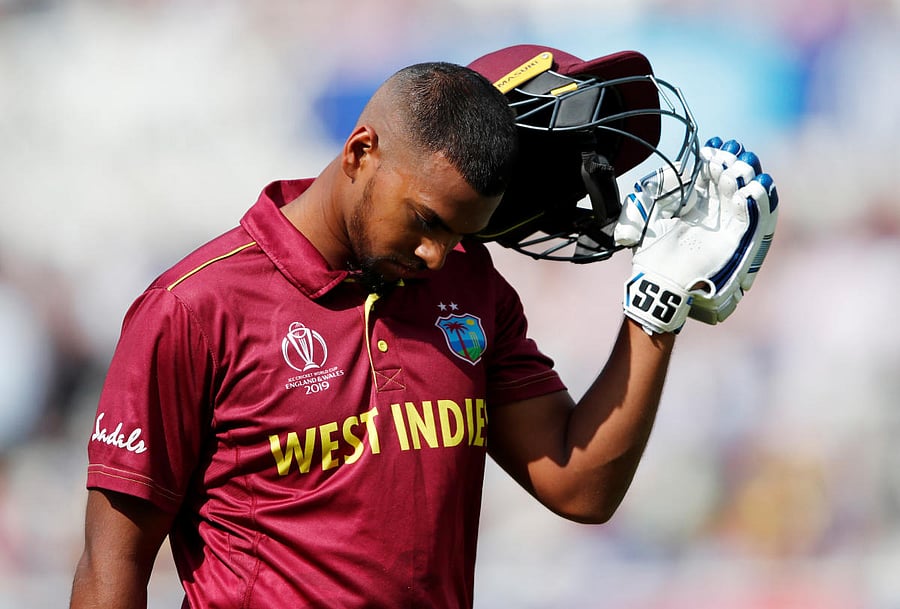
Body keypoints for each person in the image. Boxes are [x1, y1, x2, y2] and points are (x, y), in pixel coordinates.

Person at [70, 45, 777, 608]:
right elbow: (113, 565)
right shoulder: (194, 306)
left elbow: (580, 484)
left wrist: (655, 309)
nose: (436, 254)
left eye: (457, 234)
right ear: (360, 153)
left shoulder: (471, 286)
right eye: (426, 223)